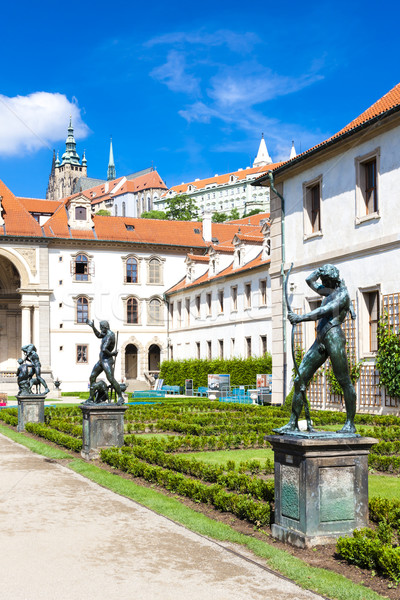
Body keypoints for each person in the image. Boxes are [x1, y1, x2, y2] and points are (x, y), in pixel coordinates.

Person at [276, 264, 357, 434]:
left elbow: (322, 311)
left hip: (334, 338)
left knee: (344, 381)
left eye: (325, 281)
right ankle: (293, 423)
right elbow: (309, 280)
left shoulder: (342, 295)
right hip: (320, 338)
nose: (323, 285)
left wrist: (300, 318)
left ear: (332, 280)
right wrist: (319, 270)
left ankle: (350, 423)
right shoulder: (329, 291)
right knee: (300, 380)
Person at [86, 319, 124, 404]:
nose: (100, 330)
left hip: (107, 360)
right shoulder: (105, 333)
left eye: (101, 328)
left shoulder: (110, 335)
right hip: (101, 360)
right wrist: (93, 327)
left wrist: (112, 354)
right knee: (92, 377)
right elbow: (99, 335)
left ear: (105, 327)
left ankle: (121, 397)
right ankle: (91, 398)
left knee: (111, 379)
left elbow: (104, 349)